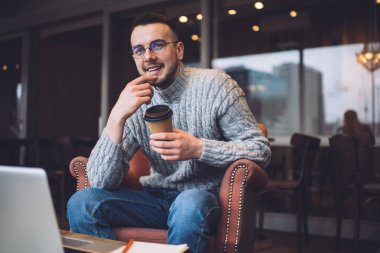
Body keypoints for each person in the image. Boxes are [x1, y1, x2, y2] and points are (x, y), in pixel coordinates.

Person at [67, 12, 271, 253]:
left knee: (188, 204)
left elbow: (260, 149)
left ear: (180, 50)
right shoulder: (134, 102)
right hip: (152, 200)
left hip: (203, 200)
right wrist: (116, 116)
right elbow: (100, 182)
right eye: (139, 50)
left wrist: (198, 148)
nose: (149, 57)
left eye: (158, 45)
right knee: (82, 202)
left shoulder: (216, 86)